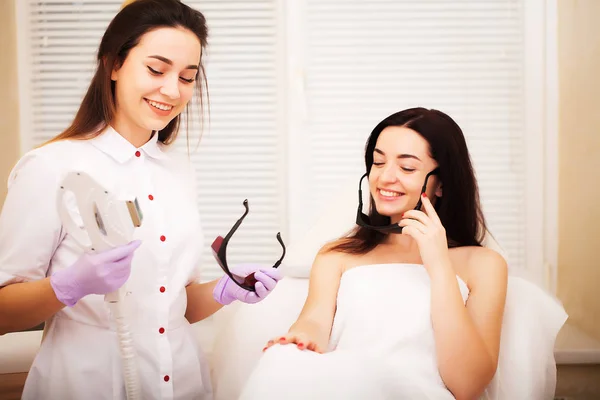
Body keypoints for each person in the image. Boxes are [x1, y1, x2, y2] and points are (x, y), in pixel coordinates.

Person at [0, 1, 282, 399]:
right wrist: (68, 286)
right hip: (84, 383)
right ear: (114, 64)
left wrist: (224, 289)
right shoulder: (50, 168)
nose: (172, 90)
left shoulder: (178, 171)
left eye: (187, 77)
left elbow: (173, 305)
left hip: (183, 382)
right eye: (156, 69)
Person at [241, 107, 508, 400]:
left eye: (406, 168)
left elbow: (468, 385)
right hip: (347, 384)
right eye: (378, 162)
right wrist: (298, 341)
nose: (385, 177)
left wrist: (439, 264)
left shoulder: (483, 264)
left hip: (417, 392)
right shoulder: (337, 256)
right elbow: (314, 322)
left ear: (441, 184)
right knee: (280, 360)